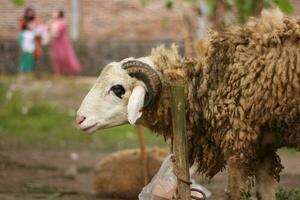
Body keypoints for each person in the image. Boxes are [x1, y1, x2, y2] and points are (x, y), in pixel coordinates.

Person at [50, 10, 81, 76]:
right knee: (57, 57)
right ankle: (58, 72)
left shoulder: (62, 22)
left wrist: (53, 31)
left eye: (55, 13)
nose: (54, 14)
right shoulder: (54, 22)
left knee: (65, 57)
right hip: (56, 43)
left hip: (62, 43)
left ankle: (71, 72)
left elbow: (58, 32)